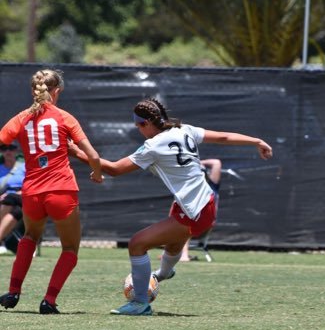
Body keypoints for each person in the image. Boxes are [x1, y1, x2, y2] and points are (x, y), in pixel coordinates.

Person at [69, 97, 272, 316]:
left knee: (137, 244)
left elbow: (115, 169)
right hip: (206, 202)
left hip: (194, 210)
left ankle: (140, 303)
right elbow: (224, 136)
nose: (139, 130)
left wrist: (75, 151)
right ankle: (162, 274)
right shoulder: (185, 130)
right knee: (174, 246)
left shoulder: (153, 145)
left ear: (146, 123)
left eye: (139, 125)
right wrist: (256, 141)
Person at [0, 69, 103, 314]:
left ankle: (13, 292)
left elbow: (3, 138)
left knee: (29, 237)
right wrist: (97, 173)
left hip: (32, 191)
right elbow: (93, 156)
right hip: (61, 189)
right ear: (56, 91)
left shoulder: (22, 118)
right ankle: (49, 300)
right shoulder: (65, 118)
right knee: (69, 248)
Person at [179, 158, 221, 262]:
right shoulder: (190, 190)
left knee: (185, 223)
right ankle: (172, 252)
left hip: (204, 225)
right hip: (195, 223)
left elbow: (216, 162)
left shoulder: (212, 186)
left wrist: (198, 163)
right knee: (182, 218)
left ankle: (183, 255)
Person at [0, 142, 26, 254]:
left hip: (22, 197)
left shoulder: (25, 167)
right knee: (14, 211)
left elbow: (33, 184)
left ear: (16, 151)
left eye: (11, 148)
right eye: (4, 149)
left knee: (10, 198)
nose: (8, 152)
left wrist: (20, 192)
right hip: (5, 202)